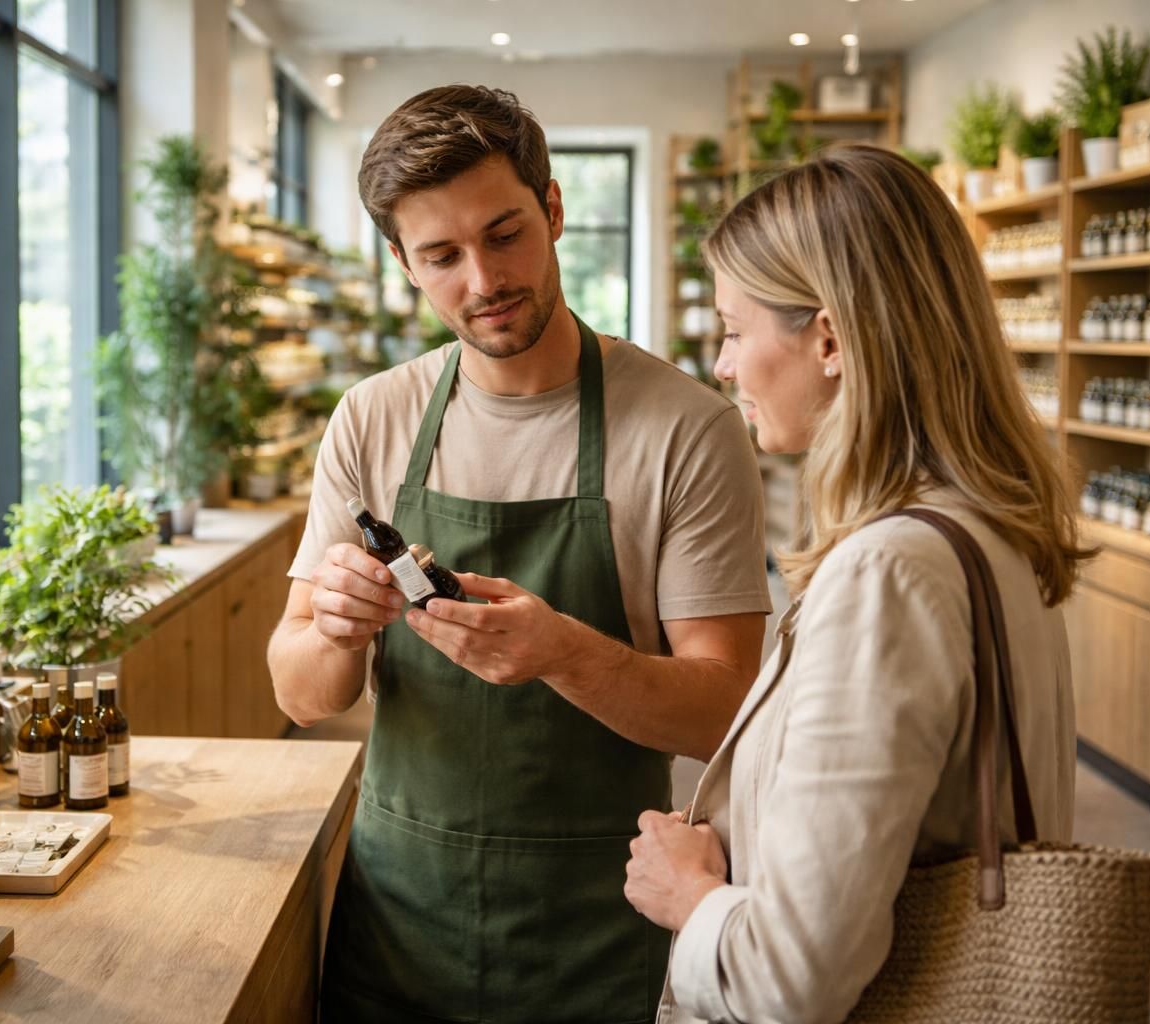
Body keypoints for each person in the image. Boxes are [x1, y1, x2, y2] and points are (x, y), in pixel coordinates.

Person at [266, 85, 773, 1023]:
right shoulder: (372, 419)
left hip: (596, 923)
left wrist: (562, 653)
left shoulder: (686, 429)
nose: (482, 280)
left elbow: (726, 713)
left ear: (552, 208)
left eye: (504, 235)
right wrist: (334, 630)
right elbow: (302, 694)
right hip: (400, 911)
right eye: (441, 256)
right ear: (403, 264)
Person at [623, 144, 1089, 1023]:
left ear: (829, 338)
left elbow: (790, 980)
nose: (723, 366)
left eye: (732, 329)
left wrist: (688, 896)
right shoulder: (981, 529)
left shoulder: (887, 571)